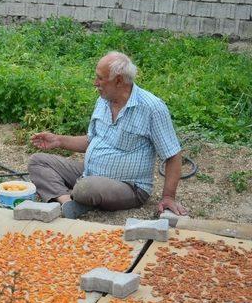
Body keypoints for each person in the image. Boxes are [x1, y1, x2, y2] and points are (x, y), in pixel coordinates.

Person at [28, 51, 188, 219]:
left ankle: (78, 195)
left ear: (118, 80)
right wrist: (58, 140)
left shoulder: (152, 108)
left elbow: (173, 155)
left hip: (129, 186)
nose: (95, 83)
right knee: (37, 162)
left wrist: (168, 197)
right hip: (90, 172)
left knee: (86, 188)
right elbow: (91, 140)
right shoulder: (103, 100)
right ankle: (67, 201)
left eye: (100, 78)